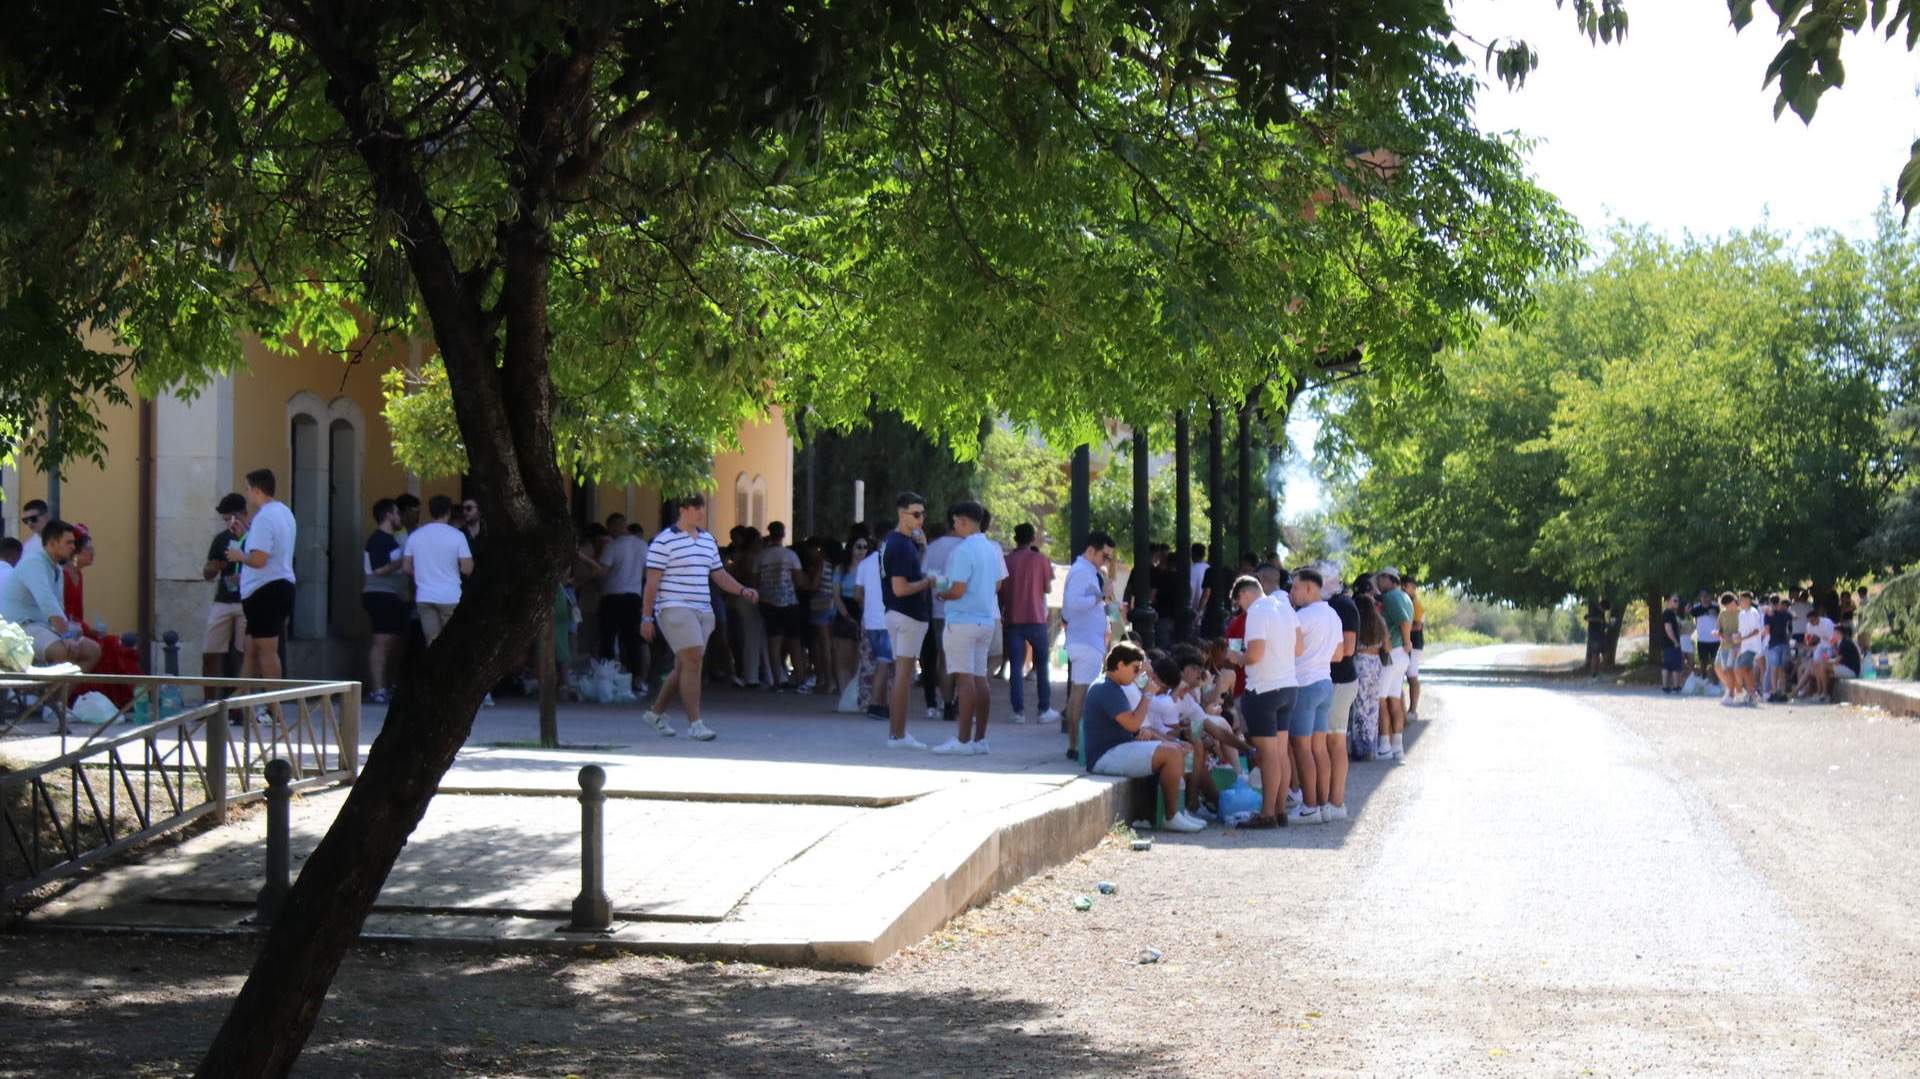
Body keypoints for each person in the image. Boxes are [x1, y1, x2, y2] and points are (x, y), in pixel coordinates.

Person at [638, 493, 758, 741]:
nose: (701, 513)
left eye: (702, 508)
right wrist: (646, 618)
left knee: (684, 665)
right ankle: (696, 723)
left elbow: (719, 574)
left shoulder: (707, 541)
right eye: (696, 508)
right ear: (683, 510)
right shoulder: (663, 541)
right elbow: (652, 583)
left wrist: (742, 589)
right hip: (674, 607)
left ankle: (656, 713)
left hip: (703, 609)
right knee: (694, 661)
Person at [1079, 642, 1206, 832]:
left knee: (1176, 749)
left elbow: (1131, 725)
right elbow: (1132, 723)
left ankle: (1177, 811)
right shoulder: (1105, 688)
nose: (1138, 674)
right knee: (1171, 753)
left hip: (1118, 748)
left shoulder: (1113, 686)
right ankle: (1171, 816)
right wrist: (1147, 695)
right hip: (1105, 756)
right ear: (1120, 664)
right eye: (1135, 669)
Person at [1229, 574, 1301, 829]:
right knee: (1281, 753)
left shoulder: (1257, 611)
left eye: (1239, 602)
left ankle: (1267, 813)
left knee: (1268, 755)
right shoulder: (1284, 607)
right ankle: (1280, 810)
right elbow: (1299, 648)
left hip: (1263, 689)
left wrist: (1237, 657)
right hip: (1288, 686)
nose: (1241, 608)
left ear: (1245, 594)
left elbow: (1255, 654)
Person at [933, 501, 1006, 755]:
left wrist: (942, 593)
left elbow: (957, 589)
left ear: (963, 521)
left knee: (964, 680)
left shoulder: (963, 551)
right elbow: (998, 584)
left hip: (962, 620)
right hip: (986, 620)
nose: (954, 527)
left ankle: (963, 741)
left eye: (955, 522)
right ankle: (980, 739)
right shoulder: (991, 548)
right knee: (979, 679)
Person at [0, 521, 100, 671]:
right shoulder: (34, 563)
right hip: (19, 630)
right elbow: (48, 603)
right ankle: (50, 692)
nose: (73, 547)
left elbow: (59, 608)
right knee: (67, 653)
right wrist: (66, 636)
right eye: (69, 542)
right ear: (52, 543)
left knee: (93, 650)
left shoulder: (56, 569)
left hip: (41, 627)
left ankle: (54, 693)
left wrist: (71, 631)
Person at [1284, 567, 1342, 823]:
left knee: (1302, 749)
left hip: (1304, 685)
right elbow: (1339, 654)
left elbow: (1287, 646)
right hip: (1325, 682)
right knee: (1319, 749)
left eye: (1295, 587)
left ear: (1310, 588)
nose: (1292, 592)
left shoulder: (1303, 616)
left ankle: (1309, 806)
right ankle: (1324, 805)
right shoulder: (1333, 615)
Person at [226, 469, 295, 681]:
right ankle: (241, 707)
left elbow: (259, 559)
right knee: (252, 650)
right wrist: (246, 532)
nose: (246, 493)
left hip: (265, 591)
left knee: (267, 651)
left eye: (247, 488)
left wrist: (238, 556)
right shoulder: (284, 512)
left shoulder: (263, 518)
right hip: (280, 585)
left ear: (256, 490)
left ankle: (275, 710)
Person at [881, 492, 937, 749]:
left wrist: (922, 549)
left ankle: (897, 733)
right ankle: (899, 735)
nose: (920, 520)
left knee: (902, 674)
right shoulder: (901, 545)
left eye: (922, 514)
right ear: (901, 513)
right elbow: (901, 588)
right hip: (907, 614)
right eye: (915, 514)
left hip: (897, 613)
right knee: (904, 675)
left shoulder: (895, 542)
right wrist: (929, 582)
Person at [1061, 531, 1117, 761]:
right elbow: (1072, 605)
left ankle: (1075, 745)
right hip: (1086, 642)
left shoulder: (1086, 571)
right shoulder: (1083, 572)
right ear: (1092, 550)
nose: (1106, 561)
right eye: (1105, 556)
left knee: (1078, 694)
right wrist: (1100, 598)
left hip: (1085, 640)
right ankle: (1076, 746)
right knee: (1081, 695)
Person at [402, 494, 473, 646]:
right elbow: (467, 568)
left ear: (430, 511)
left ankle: (434, 670)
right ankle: (451, 670)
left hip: (424, 596)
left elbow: (406, 567)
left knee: (432, 641)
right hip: (450, 596)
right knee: (452, 642)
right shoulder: (457, 536)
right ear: (448, 512)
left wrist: (421, 576)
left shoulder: (415, 536)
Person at [1002, 523, 1054, 725]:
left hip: (1014, 618)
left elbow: (1001, 589)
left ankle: (1018, 712)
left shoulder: (1006, 561)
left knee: (1015, 666)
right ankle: (1044, 709)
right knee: (1041, 665)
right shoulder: (1041, 560)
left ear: (1015, 538)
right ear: (1033, 538)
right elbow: (1048, 588)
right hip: (1036, 618)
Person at [361, 498, 408, 704]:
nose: (400, 517)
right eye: (397, 512)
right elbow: (379, 570)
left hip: (393, 596)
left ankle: (387, 685)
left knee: (393, 641)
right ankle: (378, 688)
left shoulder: (393, 539)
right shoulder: (378, 539)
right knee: (382, 641)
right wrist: (403, 561)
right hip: (379, 595)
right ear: (388, 515)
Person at [598, 513, 651, 692]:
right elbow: (647, 573)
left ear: (615, 526)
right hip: (634, 597)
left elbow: (603, 573)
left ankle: (609, 676)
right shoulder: (642, 545)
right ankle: (637, 678)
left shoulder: (612, 546)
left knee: (608, 638)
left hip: (612, 596)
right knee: (633, 641)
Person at [201, 493, 249, 687]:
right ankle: (209, 706)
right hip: (223, 600)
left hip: (246, 601)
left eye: (232, 518)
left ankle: (240, 705)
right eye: (226, 519)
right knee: (210, 651)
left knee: (242, 653)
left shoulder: (254, 537)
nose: (229, 523)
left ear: (244, 515)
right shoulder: (221, 539)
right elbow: (207, 572)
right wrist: (212, 569)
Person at [755, 520, 806, 692]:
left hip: (768, 601)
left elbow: (755, 580)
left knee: (773, 642)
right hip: (790, 601)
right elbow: (799, 581)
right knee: (794, 642)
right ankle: (800, 681)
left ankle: (776, 682)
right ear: (783, 534)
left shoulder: (762, 556)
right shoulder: (790, 556)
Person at [920, 517, 962, 721]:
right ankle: (960, 703)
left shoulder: (933, 547)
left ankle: (946, 705)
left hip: (938, 610)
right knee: (964, 662)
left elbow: (925, 578)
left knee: (944, 660)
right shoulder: (968, 546)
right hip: (964, 611)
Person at [854, 532, 893, 721]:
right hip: (887, 619)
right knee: (884, 663)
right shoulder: (893, 561)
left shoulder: (865, 563)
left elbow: (857, 594)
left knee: (877, 661)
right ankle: (877, 704)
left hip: (869, 620)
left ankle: (878, 703)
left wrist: (870, 603)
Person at [1377, 568, 1414, 760]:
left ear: (1387, 579)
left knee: (1380, 699)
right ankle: (1397, 746)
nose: (1378, 583)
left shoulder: (1391, 596)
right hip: (1401, 656)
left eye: (1380, 578)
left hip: (1392, 653)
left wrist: (1407, 641)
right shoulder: (1405, 596)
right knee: (1394, 698)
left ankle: (1384, 745)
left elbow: (1404, 621)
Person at [1349, 594, 1386, 760]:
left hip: (1361, 662)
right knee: (1373, 706)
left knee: (1359, 706)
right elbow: (1388, 646)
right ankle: (1371, 746)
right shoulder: (1380, 623)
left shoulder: (1358, 623)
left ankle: (1359, 747)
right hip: (1376, 663)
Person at [830, 533, 867, 698]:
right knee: (843, 657)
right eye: (858, 547)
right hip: (844, 611)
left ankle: (856, 695)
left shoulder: (869, 569)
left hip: (863, 612)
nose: (862, 551)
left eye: (865, 547)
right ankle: (844, 695)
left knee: (858, 657)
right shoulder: (840, 569)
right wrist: (846, 615)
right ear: (851, 548)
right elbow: (836, 595)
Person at [1764, 594, 1793, 702]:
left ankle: (1774, 691)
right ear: (1779, 602)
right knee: (1782, 669)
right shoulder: (1785, 614)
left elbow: (1767, 630)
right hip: (1784, 643)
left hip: (1773, 643)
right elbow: (1793, 618)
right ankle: (1783, 692)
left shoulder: (1768, 615)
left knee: (1774, 669)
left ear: (1770, 602)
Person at [1404, 576, 1425, 720]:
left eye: (1413, 587)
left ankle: (1413, 710)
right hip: (1406, 643)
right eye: (1412, 587)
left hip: (1414, 643)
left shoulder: (1416, 604)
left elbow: (1418, 625)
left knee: (1412, 675)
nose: (1413, 590)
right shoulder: (1406, 601)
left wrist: (1403, 629)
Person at [1691, 590, 1720, 683]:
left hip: (1715, 639)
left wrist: (1715, 614)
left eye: (1706, 596)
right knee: (1703, 661)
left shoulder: (1716, 607)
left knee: (1715, 661)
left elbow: (1722, 618)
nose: (1704, 599)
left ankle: (1716, 681)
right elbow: (1690, 616)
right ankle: (1704, 679)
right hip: (1702, 639)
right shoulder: (1696, 608)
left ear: (1710, 597)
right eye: (1702, 597)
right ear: (1700, 598)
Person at [1659, 594, 1687, 693]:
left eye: (1677, 601)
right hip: (1670, 643)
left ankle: (1666, 687)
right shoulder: (1668, 613)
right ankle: (1675, 686)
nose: (1677, 603)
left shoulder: (1671, 614)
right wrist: (1675, 641)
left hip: (1667, 643)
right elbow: (1668, 628)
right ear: (1668, 602)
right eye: (1674, 601)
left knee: (1667, 665)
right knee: (1675, 665)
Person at [1188, 543, 1211, 627]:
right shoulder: (1209, 569)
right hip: (1206, 614)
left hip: (1191, 614)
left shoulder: (1189, 570)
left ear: (1192, 554)